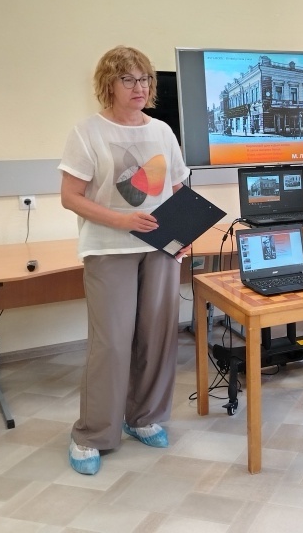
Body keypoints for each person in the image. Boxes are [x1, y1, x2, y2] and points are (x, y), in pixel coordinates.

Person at [58, 46, 191, 475]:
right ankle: (92, 434)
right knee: (112, 343)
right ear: (108, 84)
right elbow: (70, 197)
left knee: (157, 336)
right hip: (108, 248)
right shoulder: (87, 132)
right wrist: (122, 219)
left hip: (160, 249)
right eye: (128, 79)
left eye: (144, 79)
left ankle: (144, 417)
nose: (140, 87)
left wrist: (181, 236)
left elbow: (176, 190)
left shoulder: (163, 132)